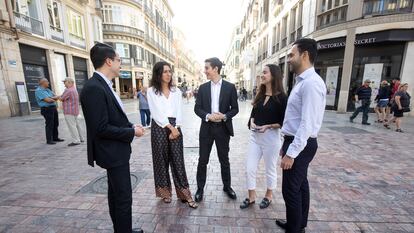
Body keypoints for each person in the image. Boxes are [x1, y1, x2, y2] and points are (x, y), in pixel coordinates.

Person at [80, 43, 144, 233]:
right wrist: (132, 133)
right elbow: (100, 128)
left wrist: (130, 126)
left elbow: (111, 118)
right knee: (123, 196)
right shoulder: (94, 88)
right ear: (108, 61)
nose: (120, 64)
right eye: (118, 60)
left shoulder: (103, 85)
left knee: (116, 193)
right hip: (111, 152)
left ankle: (122, 229)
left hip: (116, 151)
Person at [275, 38, 326, 233]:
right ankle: (298, 224)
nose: (288, 59)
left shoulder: (311, 84)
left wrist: (291, 152)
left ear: (304, 55)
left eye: (291, 55)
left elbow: (307, 123)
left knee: (290, 190)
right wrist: (286, 144)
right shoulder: (302, 81)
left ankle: (294, 229)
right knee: (301, 185)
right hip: (295, 141)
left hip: (301, 144)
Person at [147, 61, 198, 209]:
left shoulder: (176, 91)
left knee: (178, 161)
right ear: (158, 74)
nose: (168, 74)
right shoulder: (151, 91)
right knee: (160, 160)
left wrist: (176, 128)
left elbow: (179, 111)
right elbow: (155, 112)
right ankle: (165, 193)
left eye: (170, 71)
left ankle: (184, 194)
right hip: (159, 126)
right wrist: (169, 127)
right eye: (165, 72)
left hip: (175, 126)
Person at [240, 64, 287, 210]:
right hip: (255, 137)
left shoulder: (282, 98)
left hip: (271, 139)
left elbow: (283, 121)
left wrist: (269, 126)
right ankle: (251, 196)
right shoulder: (260, 95)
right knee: (249, 168)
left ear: (273, 75)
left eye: (265, 72)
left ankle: (268, 195)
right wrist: (252, 122)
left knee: (270, 169)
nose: (262, 75)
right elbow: (253, 115)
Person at [194, 57, 239, 202]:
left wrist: (224, 116)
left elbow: (235, 109)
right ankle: (200, 188)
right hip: (206, 128)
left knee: (224, 160)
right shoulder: (203, 88)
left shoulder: (230, 87)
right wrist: (208, 116)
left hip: (223, 129)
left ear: (215, 69)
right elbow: (197, 108)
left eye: (207, 68)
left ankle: (227, 186)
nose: (204, 70)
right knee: (203, 160)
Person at [35, 78, 64, 145]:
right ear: (43, 83)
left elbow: (56, 96)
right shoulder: (38, 91)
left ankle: (55, 138)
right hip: (46, 109)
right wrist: (53, 98)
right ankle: (49, 140)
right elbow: (48, 100)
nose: (48, 83)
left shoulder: (48, 90)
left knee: (56, 123)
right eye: (47, 81)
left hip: (53, 108)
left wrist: (52, 98)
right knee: (49, 124)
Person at [59, 77, 84, 146]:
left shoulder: (68, 90)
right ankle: (81, 138)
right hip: (75, 110)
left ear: (69, 82)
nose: (64, 84)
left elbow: (62, 98)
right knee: (77, 125)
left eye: (65, 82)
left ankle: (76, 140)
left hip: (69, 111)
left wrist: (57, 97)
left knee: (72, 126)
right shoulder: (74, 89)